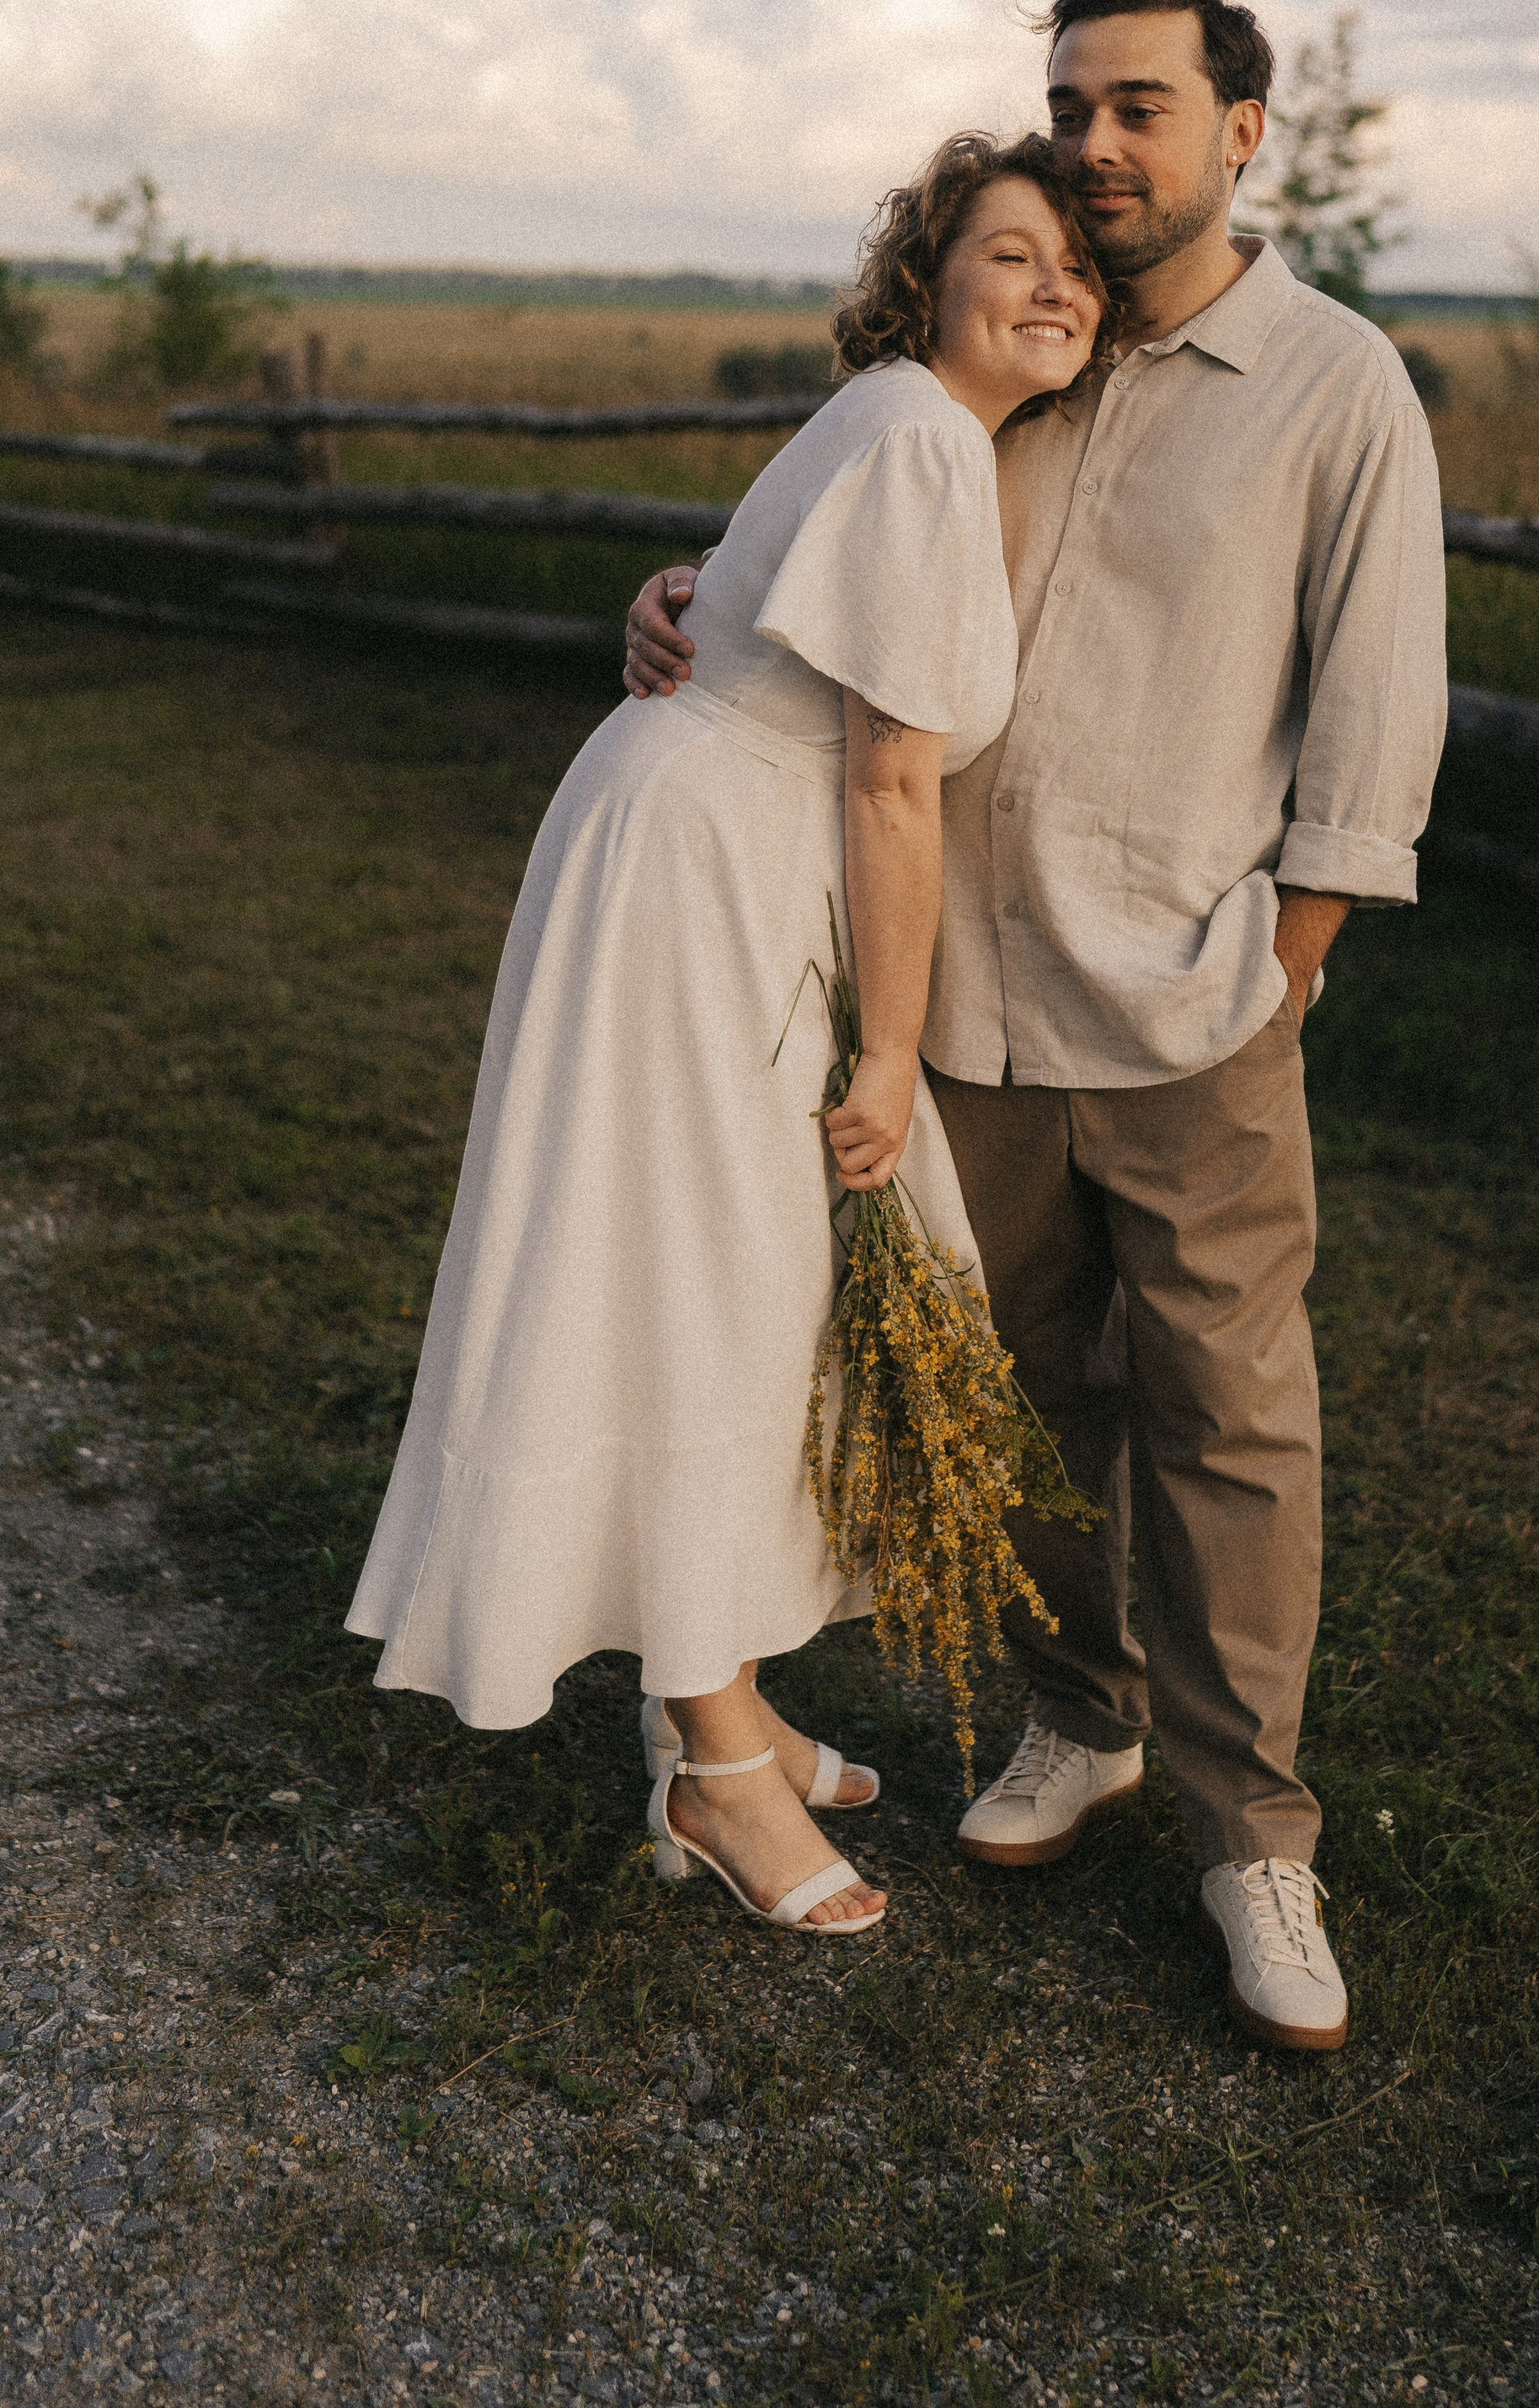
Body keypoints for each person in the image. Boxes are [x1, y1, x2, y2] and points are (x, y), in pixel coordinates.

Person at [625, 0, 1447, 2048]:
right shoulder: (1015, 343)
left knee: (1231, 1422)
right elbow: (829, 565)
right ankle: (1077, 1718)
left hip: (1185, 1020)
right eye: (1070, 102)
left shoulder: (1334, 386)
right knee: (1011, 1408)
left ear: (1240, 129)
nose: (1095, 143)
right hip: (948, 1012)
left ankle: (1254, 1838)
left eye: (1141, 107)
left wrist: (1267, 990)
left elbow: (1369, 741)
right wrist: (671, 607)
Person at [349, 131, 1109, 1938]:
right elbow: (890, 774)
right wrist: (886, 1049)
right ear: (929, 279)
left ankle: (723, 1690)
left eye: (1077, 263)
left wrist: (670, 592)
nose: (1054, 286)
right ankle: (709, 1763)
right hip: (710, 884)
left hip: (695, 851)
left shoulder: (899, 430)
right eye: (1011, 254)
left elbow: (750, 598)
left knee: (722, 1277)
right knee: (705, 1281)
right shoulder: (920, 432)